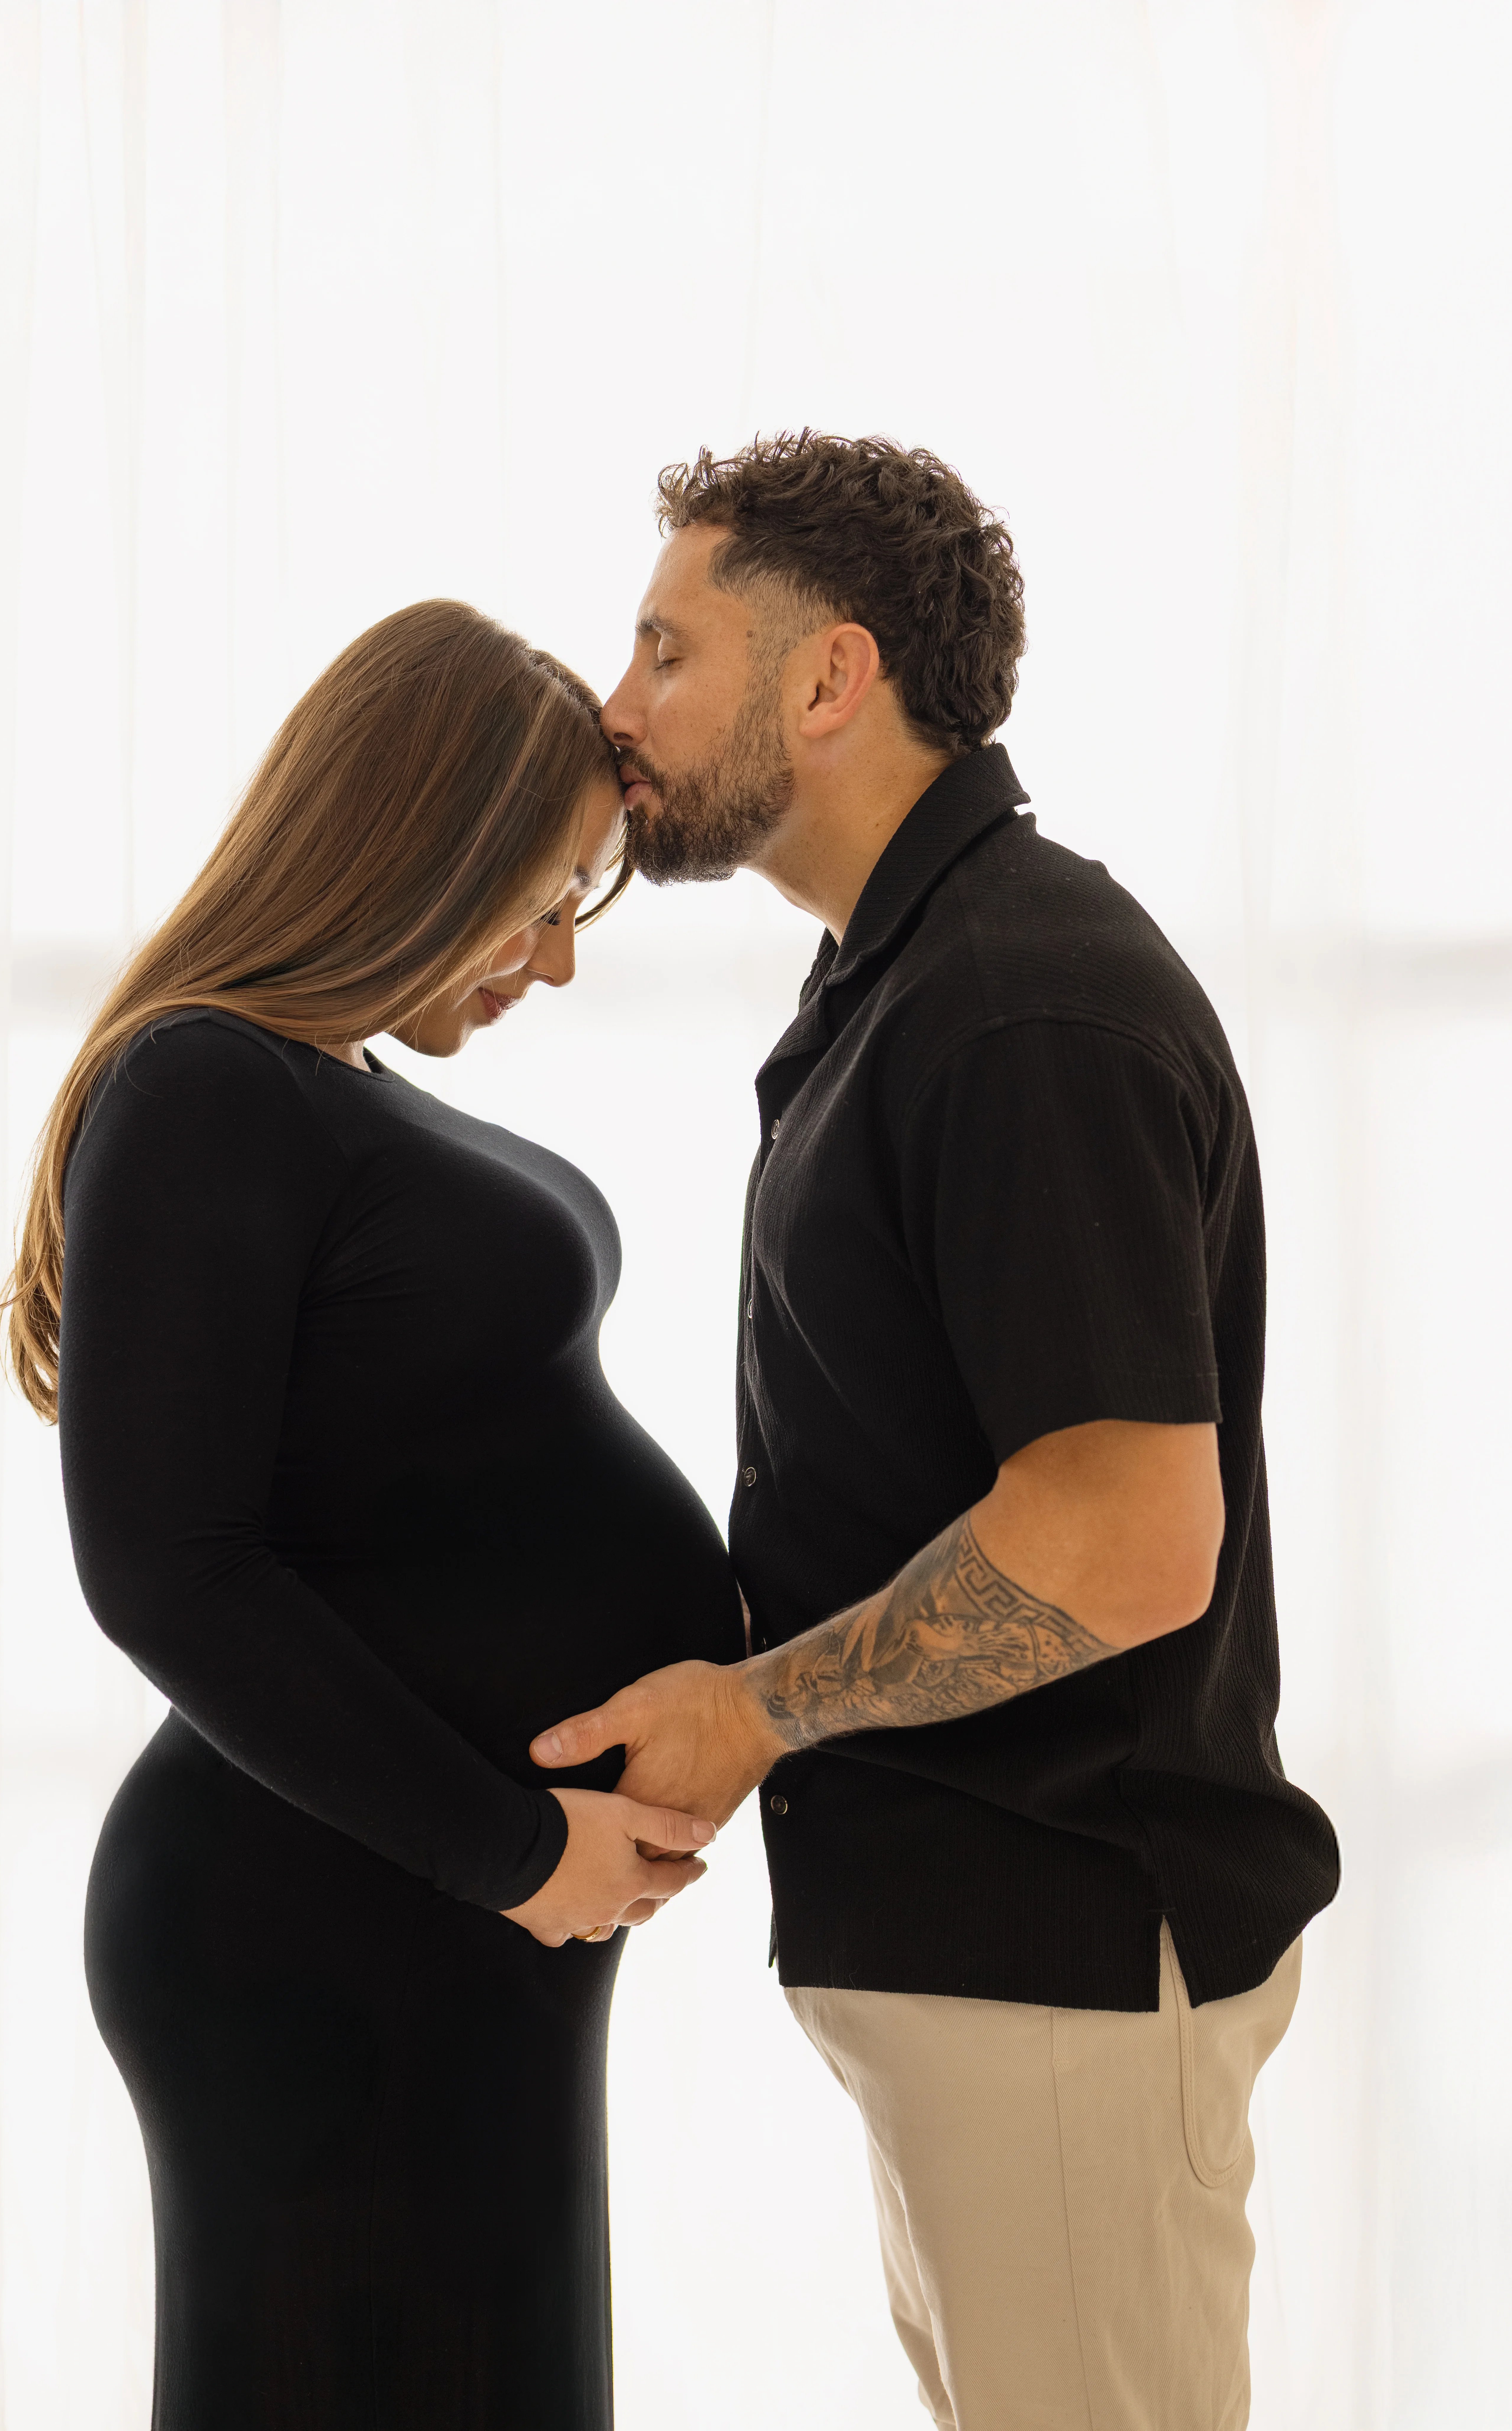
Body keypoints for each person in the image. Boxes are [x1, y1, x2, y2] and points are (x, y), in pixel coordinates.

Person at [533, 433, 1341, 2431]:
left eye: (666, 651)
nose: (617, 707)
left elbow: (1126, 1540)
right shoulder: (908, 978)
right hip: (992, 1965)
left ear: (832, 678)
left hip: (1066, 1953)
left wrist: (756, 1712)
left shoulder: (1015, 1001)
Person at [1, 601, 742, 2431]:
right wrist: (517, 1852)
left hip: (450, 1918)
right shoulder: (203, 1084)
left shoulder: (321, 1088)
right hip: (323, 1923)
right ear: (419, 849)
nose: (554, 965)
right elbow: (165, 1568)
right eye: (539, 904)